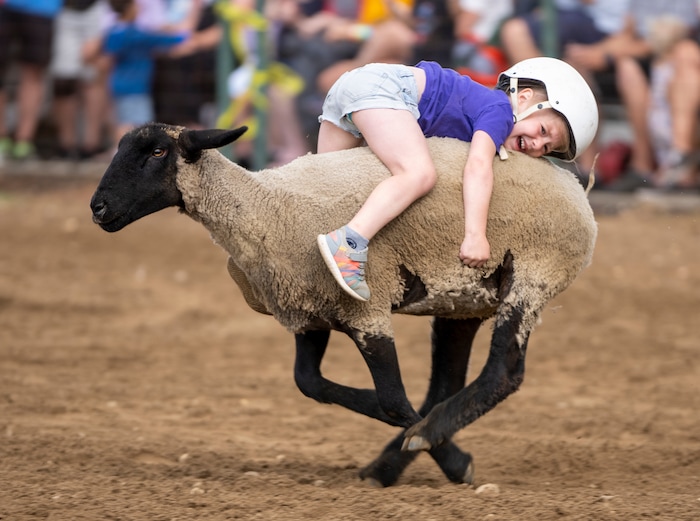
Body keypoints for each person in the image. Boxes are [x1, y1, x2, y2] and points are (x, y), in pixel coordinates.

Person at [316, 57, 598, 301]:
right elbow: (477, 165)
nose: (538, 145)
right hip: (385, 89)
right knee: (419, 174)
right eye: (543, 130)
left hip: (355, 86)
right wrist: (476, 235)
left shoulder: (484, 104)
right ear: (522, 99)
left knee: (326, 187)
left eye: (547, 148)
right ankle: (350, 243)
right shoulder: (500, 112)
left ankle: (328, 252)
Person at [101, 0, 191, 143]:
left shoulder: (113, 33)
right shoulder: (135, 35)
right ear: (129, 8)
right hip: (136, 89)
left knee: (123, 122)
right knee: (139, 128)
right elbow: (175, 39)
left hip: (117, 85)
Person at [0, 0, 62, 162]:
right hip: (5, 8)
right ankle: (2, 140)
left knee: (33, 73)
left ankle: (24, 143)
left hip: (42, 9)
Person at [50, 0, 111, 160]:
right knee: (63, 82)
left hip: (98, 11)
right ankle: (66, 145)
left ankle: (91, 144)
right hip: (63, 11)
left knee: (93, 78)